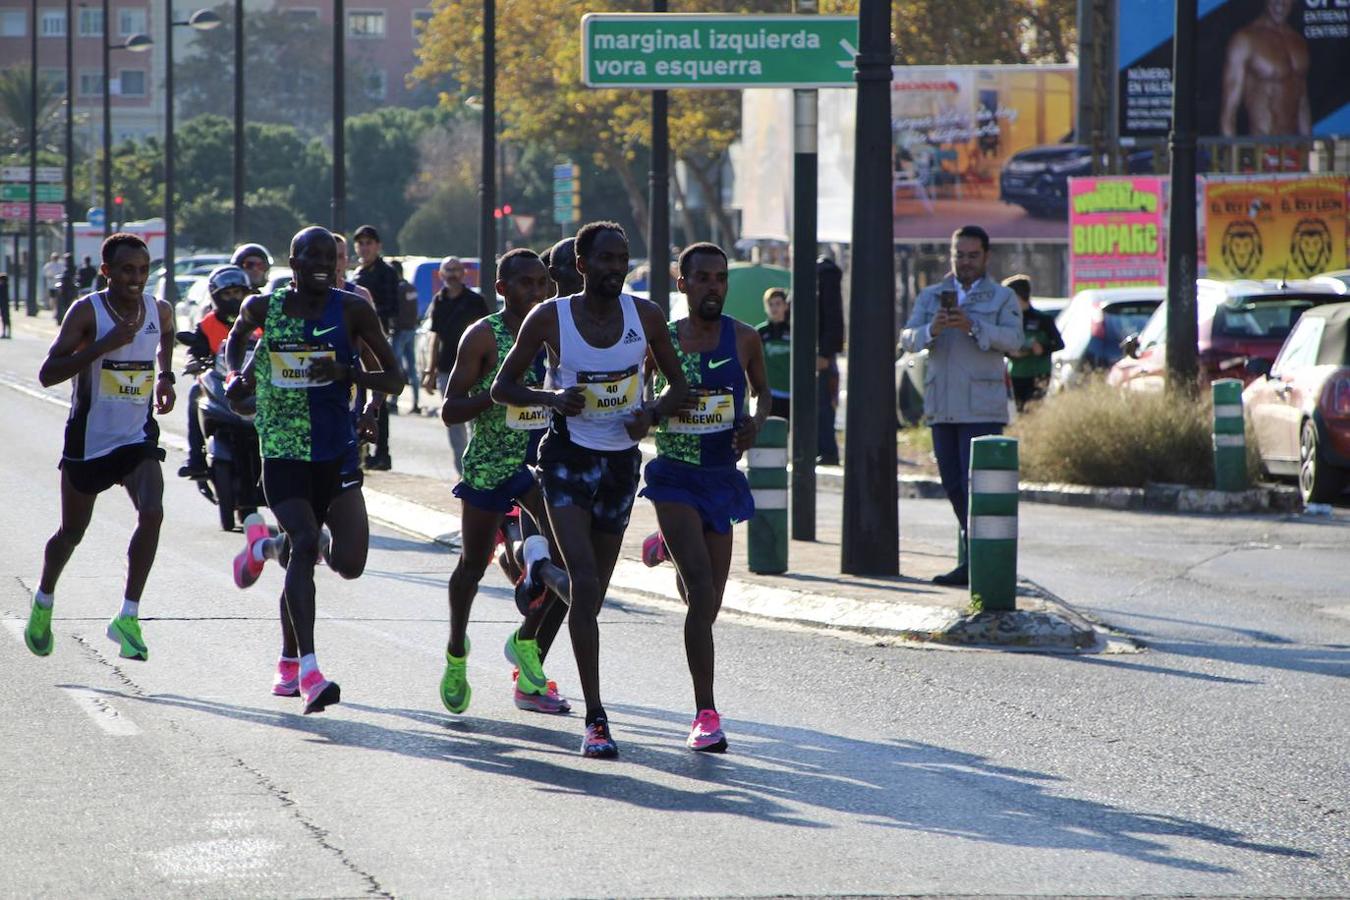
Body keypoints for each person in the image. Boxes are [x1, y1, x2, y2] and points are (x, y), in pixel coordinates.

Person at [492, 221, 687, 758]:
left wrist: (651, 413)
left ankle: (534, 601)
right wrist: (552, 399)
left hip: (620, 464)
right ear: (581, 264)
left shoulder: (645, 316)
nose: (614, 269)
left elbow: (679, 386)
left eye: (621, 259)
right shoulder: (550, 317)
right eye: (604, 259)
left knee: (593, 593)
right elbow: (502, 387)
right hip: (566, 460)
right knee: (580, 580)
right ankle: (596, 719)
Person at [223, 225, 405, 714]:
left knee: (348, 562)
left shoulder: (353, 310)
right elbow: (236, 346)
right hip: (283, 451)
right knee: (305, 544)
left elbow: (396, 377)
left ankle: (266, 545)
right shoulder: (265, 308)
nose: (324, 265)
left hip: (337, 452)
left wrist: (354, 379)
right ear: (294, 262)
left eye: (332, 257)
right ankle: (307, 670)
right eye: (313, 257)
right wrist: (236, 379)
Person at [639, 242, 770, 753]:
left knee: (710, 602)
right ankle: (706, 714)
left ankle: (669, 545)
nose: (712, 286)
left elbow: (763, 394)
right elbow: (637, 397)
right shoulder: (662, 341)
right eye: (702, 278)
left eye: (720, 278)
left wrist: (754, 425)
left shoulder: (745, 338)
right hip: (674, 476)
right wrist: (656, 407)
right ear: (683, 285)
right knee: (698, 590)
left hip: (720, 476)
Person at [24, 233, 176, 662]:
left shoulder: (157, 308)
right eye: (127, 269)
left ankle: (128, 616)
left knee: (153, 511)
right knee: (72, 531)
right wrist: (102, 347)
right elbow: (48, 373)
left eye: (143, 270)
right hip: (89, 439)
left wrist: (165, 376)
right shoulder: (86, 312)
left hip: (136, 436)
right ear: (106, 271)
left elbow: (167, 331)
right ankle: (44, 598)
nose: (136, 278)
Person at [437, 248, 574, 716]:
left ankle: (526, 642)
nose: (538, 292)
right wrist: (497, 398)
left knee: (570, 562)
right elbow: (450, 409)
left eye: (543, 284)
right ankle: (457, 651)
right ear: (502, 289)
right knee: (472, 566)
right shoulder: (483, 336)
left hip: (536, 467)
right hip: (491, 467)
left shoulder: (553, 334)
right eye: (527, 284)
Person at [900, 225, 1022, 587]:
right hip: (942, 405)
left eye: (972, 255)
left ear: (985, 256)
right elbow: (907, 337)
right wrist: (931, 331)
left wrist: (974, 325)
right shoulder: (932, 296)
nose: (965, 262)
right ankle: (974, 556)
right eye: (959, 255)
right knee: (953, 484)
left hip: (982, 408)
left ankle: (981, 562)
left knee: (978, 488)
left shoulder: (1001, 298)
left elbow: (1015, 341)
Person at [178, 265, 252, 479]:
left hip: (253, 381)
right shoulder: (207, 324)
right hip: (218, 382)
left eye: (237, 292)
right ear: (215, 296)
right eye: (227, 294)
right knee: (194, 394)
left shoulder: (256, 317)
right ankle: (196, 459)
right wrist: (194, 362)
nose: (233, 298)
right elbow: (194, 350)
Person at [423, 256, 490, 477]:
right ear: (441, 275)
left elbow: (490, 336)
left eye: (455, 270)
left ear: (463, 274)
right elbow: (435, 338)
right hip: (446, 369)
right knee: (453, 422)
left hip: (475, 370)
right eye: (447, 270)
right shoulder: (439, 301)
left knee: (475, 421)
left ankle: (477, 467)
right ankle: (463, 473)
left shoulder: (476, 301)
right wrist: (429, 371)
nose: (451, 274)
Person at [1220, 0, 1310, 137]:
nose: (1279, 3)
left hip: (1293, 147)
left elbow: (1302, 104)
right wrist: (1233, 155)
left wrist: (1307, 148)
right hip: (1261, 145)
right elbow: (1229, 112)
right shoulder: (1245, 40)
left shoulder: (1298, 42)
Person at [352, 226, 400, 471]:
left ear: (378, 246)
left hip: (378, 340)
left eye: (369, 242)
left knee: (379, 395)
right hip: (357, 341)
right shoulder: (357, 274)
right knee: (359, 395)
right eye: (360, 243)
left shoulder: (386, 273)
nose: (364, 247)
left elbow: (393, 307)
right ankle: (365, 447)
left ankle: (382, 452)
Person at [1003, 274, 1063, 411]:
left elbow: (1059, 344)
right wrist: (1010, 353)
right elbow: (1000, 345)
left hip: (1039, 374)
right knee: (1019, 412)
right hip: (1016, 374)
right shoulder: (1007, 320)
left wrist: (1042, 348)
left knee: (1034, 411)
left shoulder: (1043, 319)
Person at [816, 254, 845, 465]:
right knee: (821, 405)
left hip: (821, 355)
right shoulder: (822, 278)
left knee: (824, 405)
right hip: (820, 352)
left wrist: (824, 353)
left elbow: (833, 318)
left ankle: (827, 451)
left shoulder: (824, 279)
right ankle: (823, 449)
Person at [389, 259, 422, 415]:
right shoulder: (411, 288)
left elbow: (395, 310)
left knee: (397, 367)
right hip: (412, 329)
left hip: (400, 331)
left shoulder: (397, 289)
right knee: (412, 368)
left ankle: (394, 401)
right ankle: (416, 402)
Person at [756, 287, 791, 420]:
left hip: (792, 394)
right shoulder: (760, 332)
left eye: (778, 303)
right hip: (770, 395)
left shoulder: (794, 330)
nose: (774, 308)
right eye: (770, 304)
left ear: (785, 306)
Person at [0, 272, 11, 338]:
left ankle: (5, 333)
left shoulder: (2, 286)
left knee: (5, 319)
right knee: (6, 319)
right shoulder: (6, 286)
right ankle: (7, 333)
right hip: (5, 304)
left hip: (3, 305)